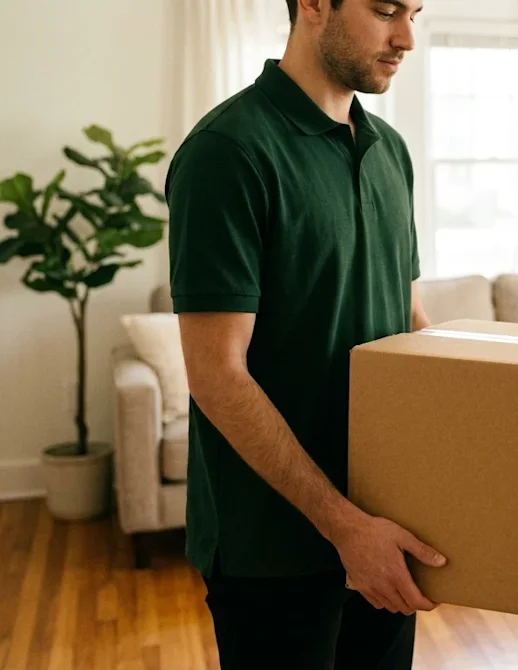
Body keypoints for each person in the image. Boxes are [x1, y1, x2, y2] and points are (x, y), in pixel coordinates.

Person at [164, 1, 445, 668]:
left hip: (386, 526)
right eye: (384, 11)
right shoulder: (227, 152)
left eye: (414, 13)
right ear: (314, 4)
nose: (406, 36)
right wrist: (345, 528)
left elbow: (405, 316)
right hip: (272, 548)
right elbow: (217, 374)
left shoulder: (390, 152)